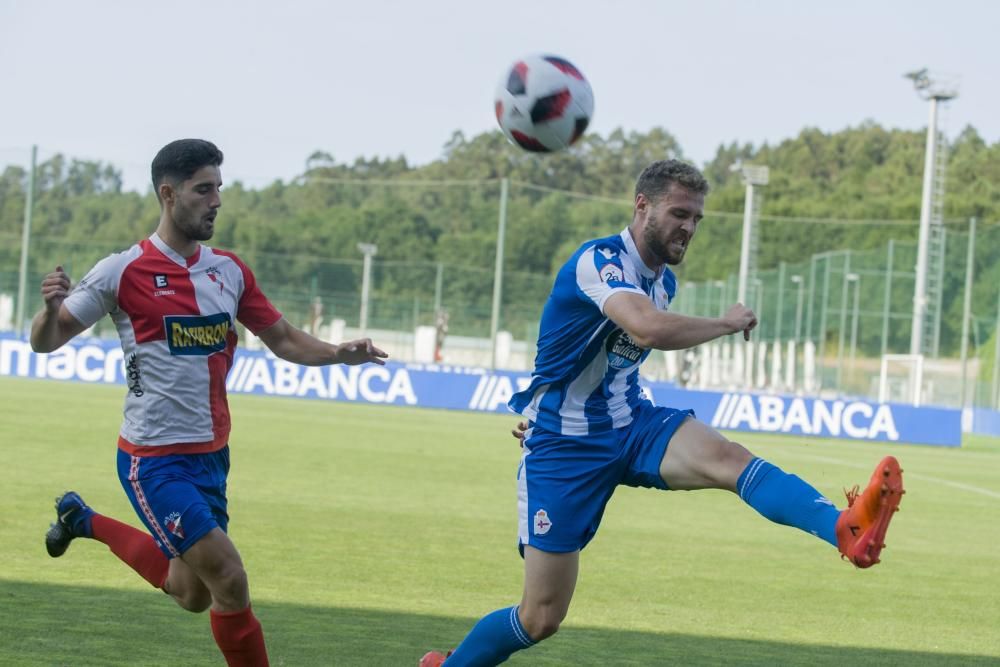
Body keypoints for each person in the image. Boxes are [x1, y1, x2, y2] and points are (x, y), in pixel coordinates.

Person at [420, 159, 904, 667]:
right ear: (642, 206)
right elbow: (648, 329)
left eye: (697, 218)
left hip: (632, 424)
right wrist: (724, 322)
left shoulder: (662, 282)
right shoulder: (600, 261)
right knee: (541, 617)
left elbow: (618, 359)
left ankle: (844, 529)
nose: (689, 228)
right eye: (679, 213)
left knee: (729, 459)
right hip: (564, 449)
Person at [32, 138, 388, 667]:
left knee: (192, 592)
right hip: (153, 461)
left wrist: (338, 354)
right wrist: (50, 309)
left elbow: (285, 339)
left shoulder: (230, 272)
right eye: (204, 189)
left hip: (211, 458)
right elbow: (47, 340)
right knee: (229, 578)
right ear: (169, 194)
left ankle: (82, 519)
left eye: (220, 188)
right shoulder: (121, 271)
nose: (217, 199)